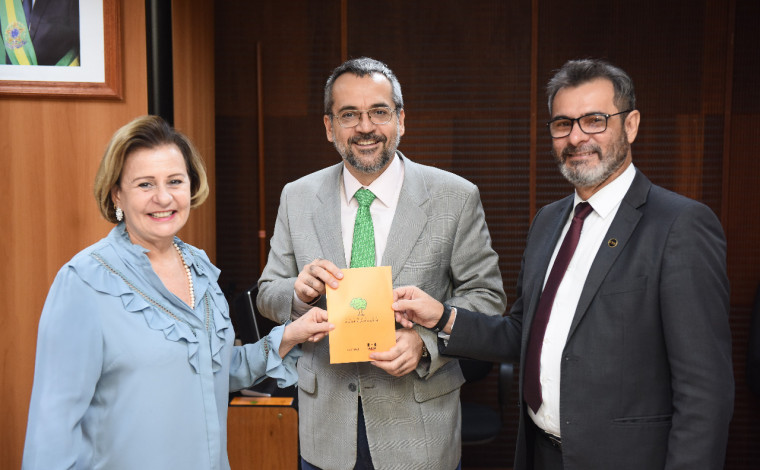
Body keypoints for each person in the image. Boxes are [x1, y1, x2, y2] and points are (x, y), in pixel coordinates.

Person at [392, 59, 734, 470]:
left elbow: (705, 393)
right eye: (562, 124)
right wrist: (442, 317)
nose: (576, 137)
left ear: (631, 125)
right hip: (541, 454)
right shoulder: (549, 221)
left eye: (594, 120)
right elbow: (522, 333)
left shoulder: (680, 226)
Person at [22, 115, 333, 470]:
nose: (163, 197)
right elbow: (52, 428)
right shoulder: (83, 282)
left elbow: (212, 371)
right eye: (145, 184)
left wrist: (289, 336)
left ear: (191, 186)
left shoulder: (199, 267)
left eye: (174, 181)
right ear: (117, 193)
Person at [256, 57, 507, 470]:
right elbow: (268, 293)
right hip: (326, 433)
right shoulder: (297, 196)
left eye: (379, 112)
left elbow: (487, 297)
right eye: (349, 115)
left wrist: (424, 343)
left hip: (419, 434)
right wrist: (298, 294)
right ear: (329, 126)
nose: (365, 127)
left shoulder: (455, 197)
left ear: (401, 120)